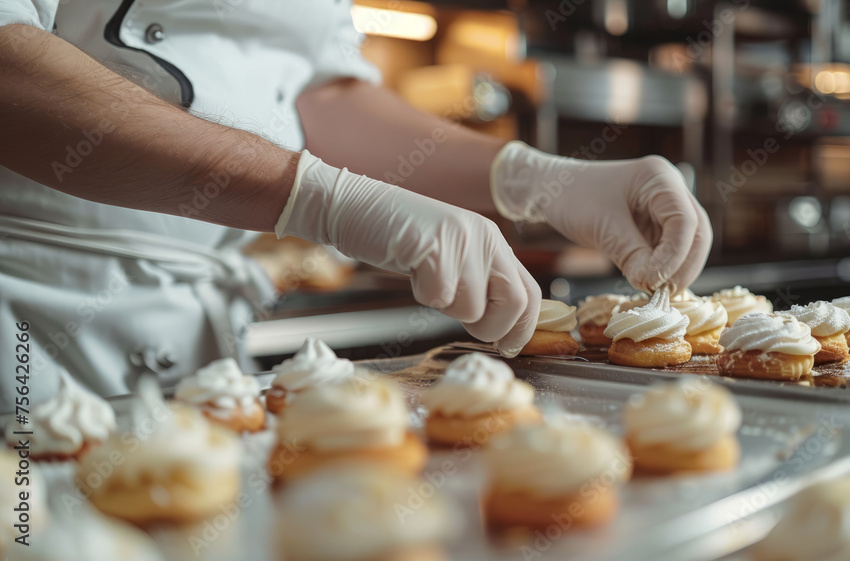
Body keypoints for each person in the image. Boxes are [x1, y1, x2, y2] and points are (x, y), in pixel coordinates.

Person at [0, 0, 711, 403]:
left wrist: (533, 177)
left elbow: (317, 92)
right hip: (30, 300)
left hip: (196, 338)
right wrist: (313, 196)